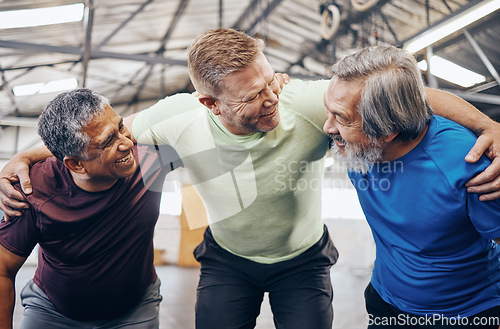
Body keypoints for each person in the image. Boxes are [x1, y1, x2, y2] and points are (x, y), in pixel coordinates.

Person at [1, 28, 500, 329]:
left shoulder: (303, 102)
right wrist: (27, 152)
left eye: (270, 83)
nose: (270, 101)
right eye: (251, 97)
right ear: (210, 103)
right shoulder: (176, 118)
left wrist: (488, 124)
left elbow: (398, 91)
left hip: (302, 261)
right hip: (227, 261)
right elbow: (101, 136)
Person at [323, 45, 500, 328]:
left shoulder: (469, 163)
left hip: (465, 314)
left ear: (386, 129)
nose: (326, 127)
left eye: (341, 118)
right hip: (386, 302)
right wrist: (487, 122)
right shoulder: (352, 125)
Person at [0, 89, 177, 329]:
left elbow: (198, 116)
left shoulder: (150, 159)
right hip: (53, 311)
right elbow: (2, 269)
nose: (126, 144)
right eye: (108, 142)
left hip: (135, 309)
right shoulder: (31, 191)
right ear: (75, 164)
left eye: (121, 128)